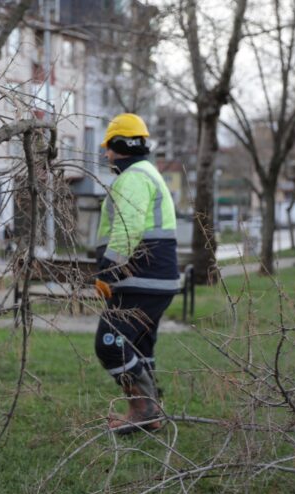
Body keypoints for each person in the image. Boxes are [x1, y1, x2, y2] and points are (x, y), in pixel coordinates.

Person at [93, 113, 178, 434]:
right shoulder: (147, 173)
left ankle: (143, 409)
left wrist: (108, 272)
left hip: (141, 279)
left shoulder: (133, 178)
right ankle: (151, 414)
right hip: (153, 279)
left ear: (120, 145)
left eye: (109, 148)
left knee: (109, 343)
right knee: (140, 346)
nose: (106, 155)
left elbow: (128, 228)